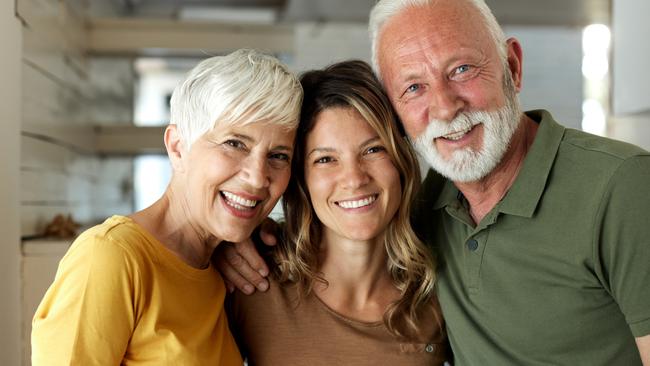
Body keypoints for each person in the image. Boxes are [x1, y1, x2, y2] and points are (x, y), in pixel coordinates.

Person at [218, 0, 650, 365]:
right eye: (414, 87)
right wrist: (234, 235)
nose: (444, 108)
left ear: (512, 67)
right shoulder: (433, 210)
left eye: (461, 69)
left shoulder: (624, 185)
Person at [31, 49, 302, 365]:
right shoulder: (110, 256)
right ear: (178, 147)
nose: (257, 178)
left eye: (279, 155)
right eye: (235, 144)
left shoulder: (223, 264)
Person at [226, 60, 448, 365]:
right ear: (301, 178)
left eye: (373, 150)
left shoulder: (439, 291)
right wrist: (223, 240)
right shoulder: (251, 279)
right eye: (326, 159)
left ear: (401, 161)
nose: (355, 179)